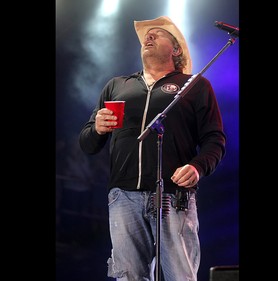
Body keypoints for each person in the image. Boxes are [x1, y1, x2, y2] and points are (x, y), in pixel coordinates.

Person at [79, 15, 226, 281]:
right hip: (124, 196)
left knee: (180, 275)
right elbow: (88, 143)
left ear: (176, 49)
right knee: (129, 276)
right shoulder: (117, 85)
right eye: (146, 36)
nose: (148, 37)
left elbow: (215, 139)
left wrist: (197, 166)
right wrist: (97, 128)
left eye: (157, 34)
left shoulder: (194, 85)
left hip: (174, 195)